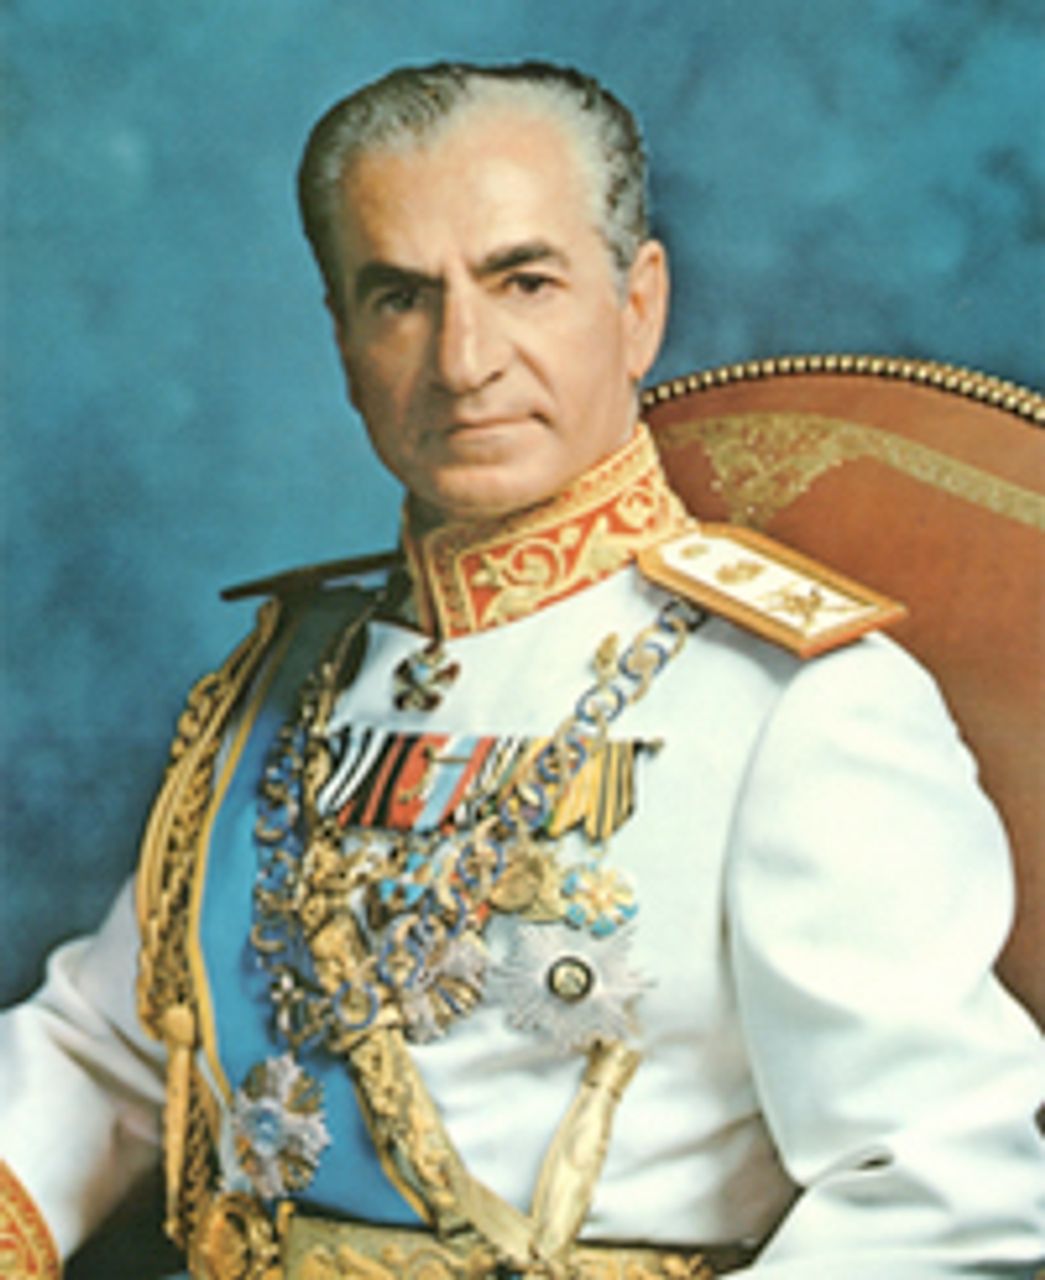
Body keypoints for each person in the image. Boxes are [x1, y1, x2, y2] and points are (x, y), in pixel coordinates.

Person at [1, 60, 1042, 1280]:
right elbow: (103, 1052)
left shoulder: (799, 703)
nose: (462, 360)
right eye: (400, 296)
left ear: (637, 305)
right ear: (343, 338)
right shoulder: (283, 683)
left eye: (523, 282)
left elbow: (948, 1181)